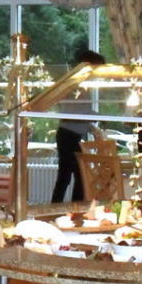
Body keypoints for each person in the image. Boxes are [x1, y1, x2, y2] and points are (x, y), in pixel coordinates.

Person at [51, 48, 106, 203]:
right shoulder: (75, 86)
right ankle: (68, 208)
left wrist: (92, 125)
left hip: (70, 135)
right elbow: (76, 112)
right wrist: (100, 117)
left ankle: (66, 207)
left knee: (71, 176)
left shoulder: (81, 86)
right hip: (67, 135)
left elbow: (81, 113)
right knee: (74, 176)